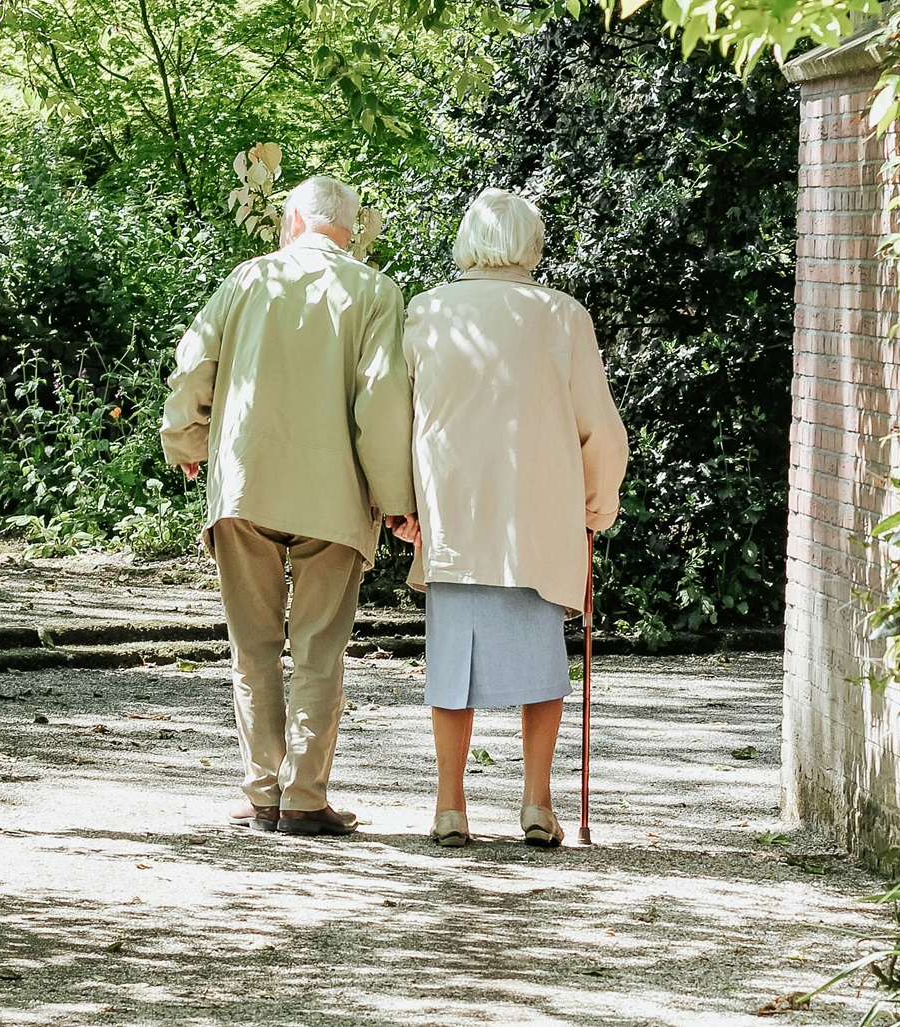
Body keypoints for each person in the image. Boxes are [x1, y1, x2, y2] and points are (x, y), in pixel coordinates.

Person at [160, 176, 420, 837]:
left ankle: (262, 792)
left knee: (252, 646)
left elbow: (194, 367)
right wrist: (396, 501)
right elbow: (382, 400)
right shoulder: (374, 290)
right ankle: (303, 796)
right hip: (335, 495)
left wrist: (186, 439)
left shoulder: (246, 279)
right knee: (318, 648)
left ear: (295, 221)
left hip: (246, 484)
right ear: (349, 228)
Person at [398, 188, 629, 848]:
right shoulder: (562, 317)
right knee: (541, 663)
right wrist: (597, 502)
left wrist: (402, 504)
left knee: (450, 664)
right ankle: (535, 802)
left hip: (456, 514)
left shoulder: (427, 311)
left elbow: (400, 418)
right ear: (532, 243)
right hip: (538, 515)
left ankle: (449, 805)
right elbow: (601, 430)